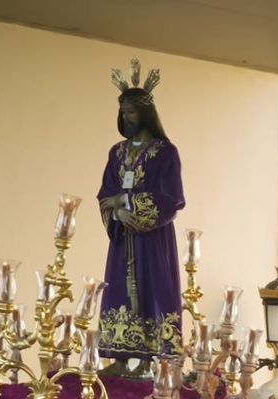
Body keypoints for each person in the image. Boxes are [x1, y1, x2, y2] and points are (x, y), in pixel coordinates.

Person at [96, 65, 184, 368]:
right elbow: (105, 193)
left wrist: (126, 200)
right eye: (123, 113)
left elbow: (171, 198)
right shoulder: (116, 153)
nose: (126, 118)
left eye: (132, 112)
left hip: (153, 237)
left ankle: (150, 363)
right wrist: (117, 211)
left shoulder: (165, 152)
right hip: (123, 236)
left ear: (145, 114)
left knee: (153, 287)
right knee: (120, 288)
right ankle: (120, 360)